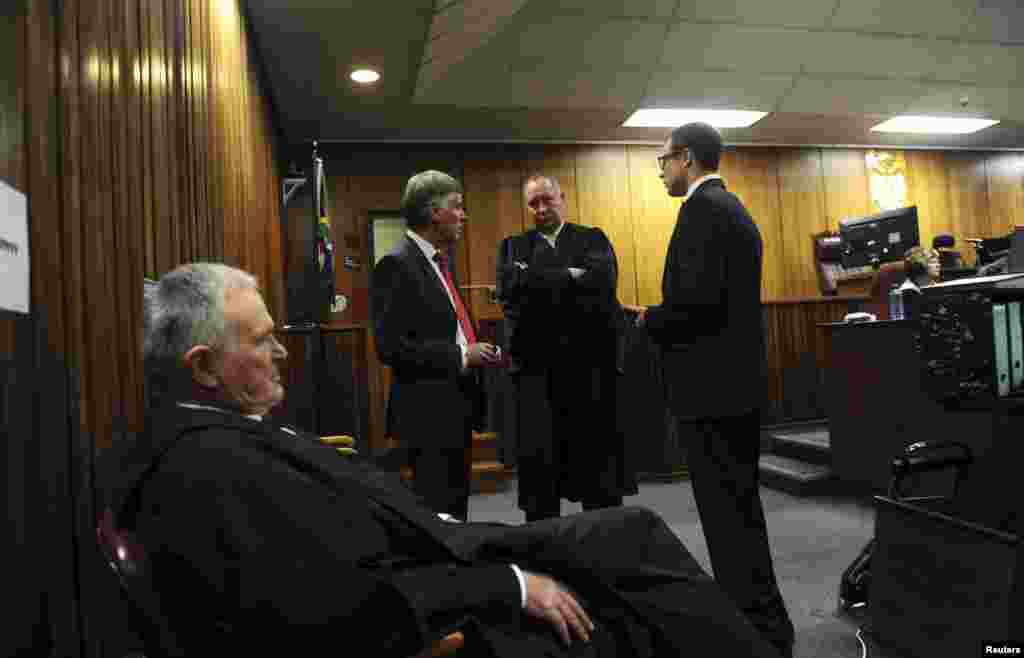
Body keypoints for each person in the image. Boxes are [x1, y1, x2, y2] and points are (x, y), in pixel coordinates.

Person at [112, 261, 784, 658]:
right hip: (440, 588)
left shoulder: (216, 431)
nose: (281, 353)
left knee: (627, 532)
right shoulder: (208, 468)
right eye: (261, 341)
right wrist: (514, 586)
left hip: (427, 539)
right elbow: (342, 603)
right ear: (202, 366)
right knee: (628, 564)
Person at [631, 123, 795, 657]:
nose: (660, 171)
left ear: (685, 159)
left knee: (728, 523)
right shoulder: (734, 209)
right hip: (734, 391)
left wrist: (649, 320)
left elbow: (694, 306)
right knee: (739, 517)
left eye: (662, 161)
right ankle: (763, 629)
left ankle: (758, 634)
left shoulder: (701, 212)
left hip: (711, 397)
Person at [496, 174, 636, 522]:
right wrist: (571, 276)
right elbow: (511, 295)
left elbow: (603, 286)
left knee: (599, 482)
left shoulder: (593, 238)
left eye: (548, 199)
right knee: (541, 486)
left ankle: (605, 557)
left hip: (591, 377)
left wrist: (537, 277)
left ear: (562, 197)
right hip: (537, 381)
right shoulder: (512, 246)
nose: (541, 208)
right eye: (533, 203)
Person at [371, 170, 502, 520]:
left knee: (455, 508)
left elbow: (444, 325)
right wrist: (461, 354)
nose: (464, 215)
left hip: (455, 406)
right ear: (432, 211)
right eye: (456, 206)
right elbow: (390, 347)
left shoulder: (441, 262)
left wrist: (476, 348)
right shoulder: (396, 264)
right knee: (437, 511)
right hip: (426, 414)